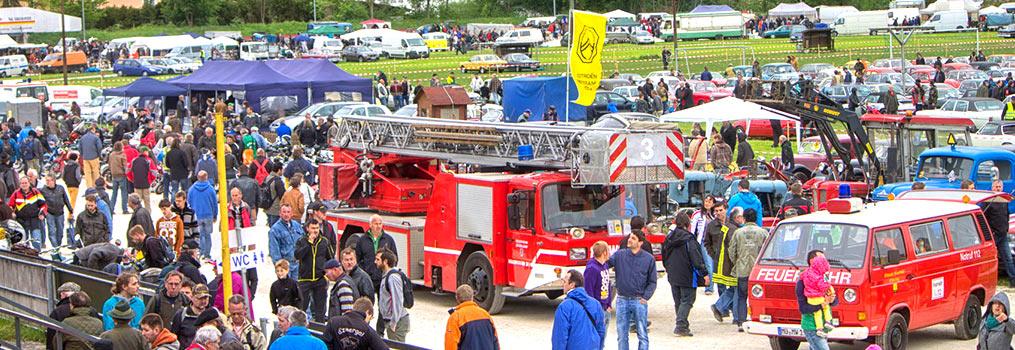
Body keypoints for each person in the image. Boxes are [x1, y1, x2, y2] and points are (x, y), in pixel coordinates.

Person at [662, 212, 710, 337]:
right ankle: (681, 325)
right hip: (687, 274)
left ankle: (683, 324)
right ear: (688, 224)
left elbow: (664, 256)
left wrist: (668, 268)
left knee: (678, 300)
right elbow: (696, 258)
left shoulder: (669, 238)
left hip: (673, 274)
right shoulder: (689, 239)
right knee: (688, 300)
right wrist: (704, 273)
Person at [608, 231, 656, 350]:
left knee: (642, 334)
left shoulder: (649, 259)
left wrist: (645, 298)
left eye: (633, 238)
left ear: (640, 242)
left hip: (639, 300)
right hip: (622, 299)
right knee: (622, 335)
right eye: (630, 237)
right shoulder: (619, 255)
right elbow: (605, 264)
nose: (629, 240)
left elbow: (652, 281)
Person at [728, 208, 768, 331]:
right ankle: (759, 319)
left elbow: (731, 251)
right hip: (758, 272)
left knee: (741, 296)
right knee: (759, 297)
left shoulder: (738, 233)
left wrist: (737, 262)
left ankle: (741, 322)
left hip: (742, 270)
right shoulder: (763, 233)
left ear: (744, 218)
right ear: (756, 218)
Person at [551, 269, 605, 350]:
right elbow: (601, 332)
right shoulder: (596, 304)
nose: (563, 284)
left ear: (572, 284)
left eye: (564, 281)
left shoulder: (564, 306)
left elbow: (560, 337)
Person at [797, 250, 839, 350]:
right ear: (812, 261)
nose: (825, 261)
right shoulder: (802, 281)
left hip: (824, 327)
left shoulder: (823, 277)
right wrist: (821, 305)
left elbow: (835, 301)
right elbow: (803, 308)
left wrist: (832, 299)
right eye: (821, 259)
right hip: (812, 327)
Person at [295, 220, 333, 323]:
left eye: (317, 228)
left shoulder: (324, 241)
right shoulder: (301, 241)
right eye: (313, 228)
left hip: (320, 279)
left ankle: (320, 329)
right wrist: (309, 244)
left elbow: (330, 258)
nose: (315, 231)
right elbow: (297, 255)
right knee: (302, 307)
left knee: (320, 309)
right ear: (307, 229)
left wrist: (326, 275)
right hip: (304, 279)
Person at [706, 203, 737, 323]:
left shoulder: (733, 224)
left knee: (734, 286)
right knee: (721, 285)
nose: (718, 213)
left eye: (721, 210)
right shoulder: (711, 226)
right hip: (718, 261)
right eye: (716, 211)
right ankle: (723, 310)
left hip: (731, 261)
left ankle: (730, 311)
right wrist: (713, 255)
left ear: (726, 210)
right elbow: (706, 242)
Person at [445, 285, 500, 349]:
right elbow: (495, 341)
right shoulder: (486, 315)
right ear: (472, 297)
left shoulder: (456, 317)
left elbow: (451, 345)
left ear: (457, 298)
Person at [981, 180, 1015, 285]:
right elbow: (983, 218)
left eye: (999, 186)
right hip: (993, 235)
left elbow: (1006, 215)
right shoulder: (987, 202)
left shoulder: (1004, 201)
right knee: (988, 258)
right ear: (992, 187)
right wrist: (989, 233)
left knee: (1008, 258)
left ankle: (1013, 280)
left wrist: (1006, 229)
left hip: (1003, 234)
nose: (998, 188)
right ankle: (985, 279)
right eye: (996, 186)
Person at [321, 297, 388, 350]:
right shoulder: (367, 330)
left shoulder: (333, 321)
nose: (368, 322)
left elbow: (324, 343)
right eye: (370, 318)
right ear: (368, 313)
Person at [376, 249, 409, 342]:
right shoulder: (386, 275)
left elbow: (397, 301)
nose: (375, 262)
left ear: (385, 261)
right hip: (392, 321)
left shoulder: (392, 277)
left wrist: (394, 323)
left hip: (397, 323)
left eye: (377, 259)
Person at [583, 241, 612, 344]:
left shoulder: (605, 266)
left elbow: (608, 285)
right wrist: (594, 309)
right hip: (597, 310)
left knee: (602, 340)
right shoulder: (592, 268)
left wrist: (609, 304)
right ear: (604, 252)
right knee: (595, 340)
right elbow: (588, 291)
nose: (610, 253)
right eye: (608, 250)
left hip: (605, 307)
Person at [802, 254, 835, 337]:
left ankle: (819, 329)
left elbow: (801, 276)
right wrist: (828, 283)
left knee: (817, 313)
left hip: (810, 298)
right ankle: (828, 322)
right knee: (826, 307)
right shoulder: (820, 277)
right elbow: (824, 286)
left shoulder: (806, 273)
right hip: (818, 297)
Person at [10, 176, 46, 249]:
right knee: (22, 242)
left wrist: (42, 214)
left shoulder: (35, 192)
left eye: (26, 183)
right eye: (22, 183)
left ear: (29, 183)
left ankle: (37, 256)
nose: (24, 185)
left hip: (34, 220)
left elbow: (44, 205)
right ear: (20, 184)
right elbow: (10, 206)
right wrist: (12, 213)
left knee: (36, 241)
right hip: (21, 221)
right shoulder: (16, 194)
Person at [188, 171, 218, 259]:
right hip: (208, 215)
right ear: (206, 177)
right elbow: (214, 204)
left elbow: (189, 203)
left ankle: (200, 253)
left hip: (196, 216)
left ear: (197, 177)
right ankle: (207, 254)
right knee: (208, 235)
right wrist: (215, 215)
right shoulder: (210, 189)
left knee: (199, 236)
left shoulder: (192, 189)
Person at [269, 204, 304, 280]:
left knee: (298, 289)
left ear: (291, 213)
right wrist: (280, 269)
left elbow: (304, 242)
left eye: (288, 212)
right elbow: (274, 251)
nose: (286, 214)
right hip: (286, 266)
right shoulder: (274, 230)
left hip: (298, 265)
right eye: (284, 212)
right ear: (280, 213)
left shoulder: (297, 226)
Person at [172, 284, 211, 349]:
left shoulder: (211, 315)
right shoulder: (181, 314)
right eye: (200, 298)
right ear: (192, 297)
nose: (203, 301)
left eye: (206, 298)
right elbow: (173, 337)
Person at [40, 173, 72, 249]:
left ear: (54, 180)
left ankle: (58, 245)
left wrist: (70, 210)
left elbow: (66, 199)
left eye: (49, 180)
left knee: (60, 231)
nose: (47, 182)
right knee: (51, 231)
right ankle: (55, 247)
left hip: (60, 212)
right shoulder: (43, 190)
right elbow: (40, 203)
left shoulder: (61, 188)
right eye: (46, 181)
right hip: (49, 213)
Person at [47, 282, 83, 349]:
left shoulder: (57, 311)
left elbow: (51, 335)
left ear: (64, 294)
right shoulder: (91, 310)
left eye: (60, 294)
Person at [79, 124, 103, 189]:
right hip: (94, 157)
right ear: (93, 130)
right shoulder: (96, 138)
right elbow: (100, 147)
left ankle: (89, 187)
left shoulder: (82, 138)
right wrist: (98, 154)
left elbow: (80, 148)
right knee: (95, 172)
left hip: (85, 158)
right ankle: (96, 186)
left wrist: (82, 155)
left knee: (87, 173)